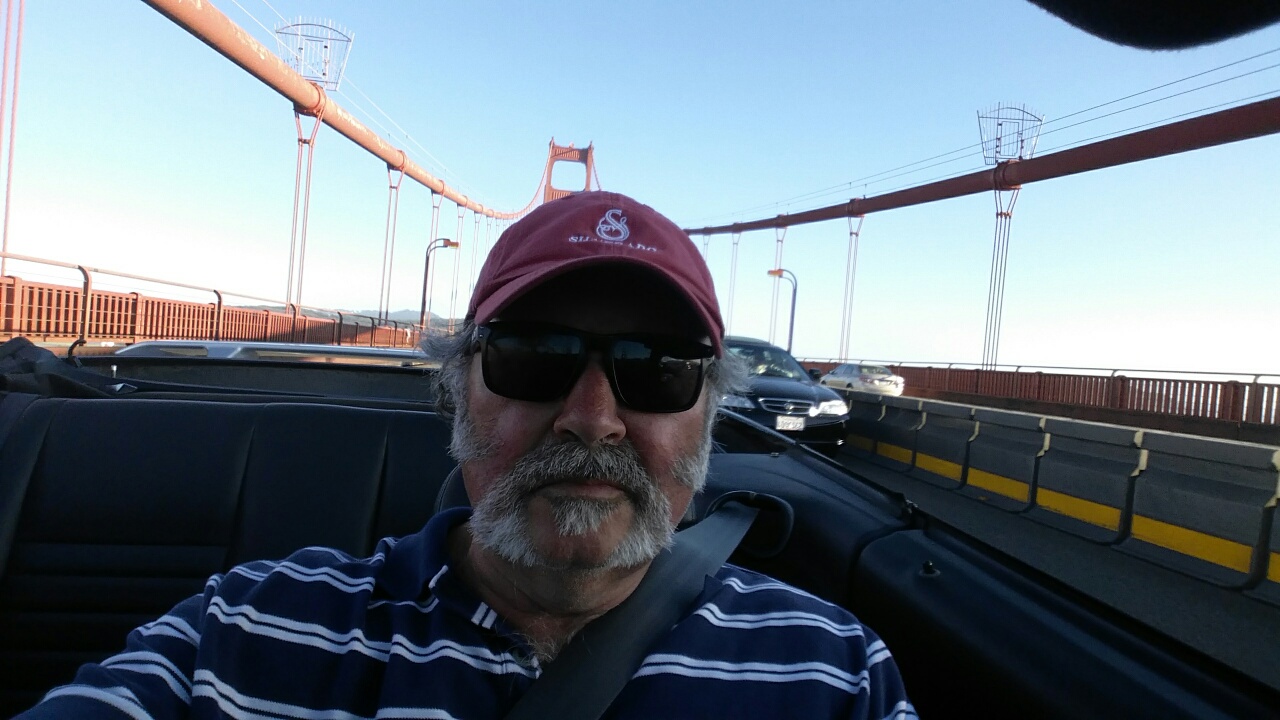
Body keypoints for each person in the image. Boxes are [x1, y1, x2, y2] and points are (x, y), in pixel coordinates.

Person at [17, 191, 915, 719]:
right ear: (456, 389)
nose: (593, 419)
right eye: (535, 356)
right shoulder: (247, 633)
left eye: (659, 370)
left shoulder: (833, 672)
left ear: (708, 417)